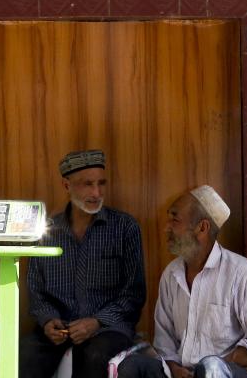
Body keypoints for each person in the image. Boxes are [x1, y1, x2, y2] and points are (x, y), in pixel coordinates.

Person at [119, 186, 247, 378]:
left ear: (202, 227)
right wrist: (175, 369)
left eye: (175, 220)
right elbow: (164, 338)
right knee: (131, 366)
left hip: (227, 372)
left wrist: (213, 366)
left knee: (210, 368)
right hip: (182, 372)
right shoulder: (171, 274)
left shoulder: (241, 272)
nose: (167, 227)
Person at [20, 149, 147, 378]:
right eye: (87, 184)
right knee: (22, 357)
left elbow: (134, 294)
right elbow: (36, 291)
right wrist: (48, 321)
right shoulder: (46, 230)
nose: (96, 193)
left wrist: (97, 322)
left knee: (94, 356)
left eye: (101, 184)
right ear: (66, 186)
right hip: (59, 331)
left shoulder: (125, 228)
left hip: (109, 329)